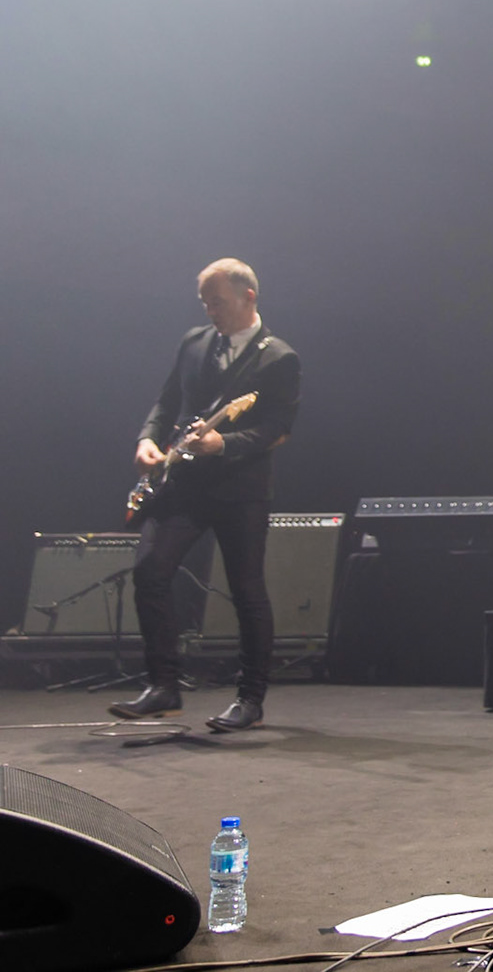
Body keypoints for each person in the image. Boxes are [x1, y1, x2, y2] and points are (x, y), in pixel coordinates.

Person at [111, 259, 301, 731]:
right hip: (184, 483)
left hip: (241, 489)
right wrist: (147, 440)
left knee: (246, 590)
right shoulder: (194, 342)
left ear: (248, 296)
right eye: (205, 303)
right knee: (150, 571)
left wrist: (224, 443)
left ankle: (250, 698)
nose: (209, 310)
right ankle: (164, 686)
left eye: (217, 301)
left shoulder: (278, 358)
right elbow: (167, 398)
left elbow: (278, 430)